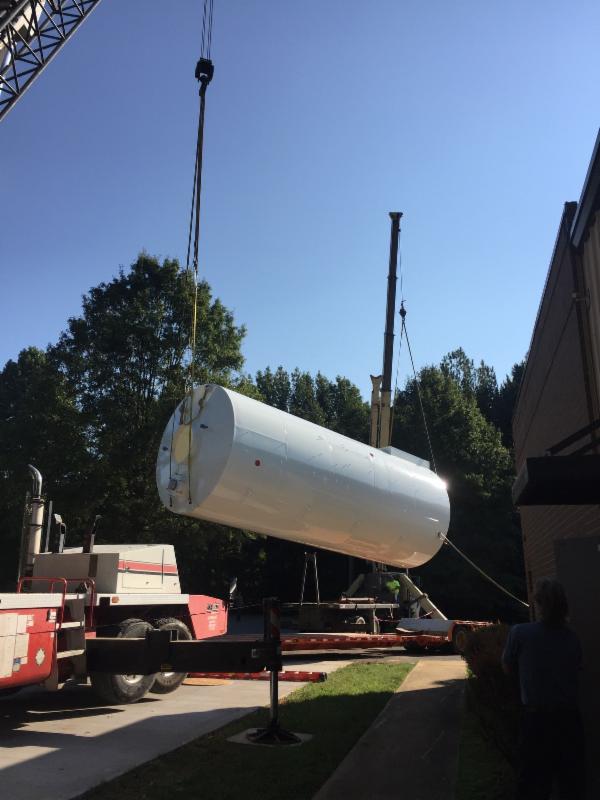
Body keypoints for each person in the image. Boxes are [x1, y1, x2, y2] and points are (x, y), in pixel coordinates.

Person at [502, 577, 585, 800]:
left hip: (536, 723)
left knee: (532, 786)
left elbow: (508, 668)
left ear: (538, 603)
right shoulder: (572, 638)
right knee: (571, 786)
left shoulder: (520, 633)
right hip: (569, 723)